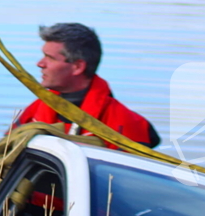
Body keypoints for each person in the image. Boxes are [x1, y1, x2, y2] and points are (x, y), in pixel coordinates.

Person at [16, 22, 160, 149]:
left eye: (50, 58)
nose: (40, 64)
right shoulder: (34, 111)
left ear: (78, 67)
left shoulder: (123, 124)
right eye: (43, 56)